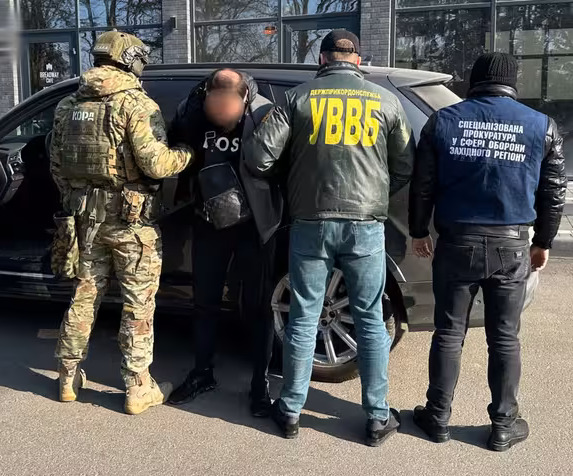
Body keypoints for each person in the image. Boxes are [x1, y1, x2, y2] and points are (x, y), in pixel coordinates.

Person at [243, 31, 415, 444]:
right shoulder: (386, 101)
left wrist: (293, 184)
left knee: (303, 316)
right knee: (370, 318)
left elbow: (258, 158)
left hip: (310, 222)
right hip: (366, 225)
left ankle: (289, 411)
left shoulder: (297, 98)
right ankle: (377, 417)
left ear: (321, 59)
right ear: (358, 60)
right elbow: (405, 166)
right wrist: (376, 195)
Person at [408, 52, 566, 451]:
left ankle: (437, 417)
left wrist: (418, 230)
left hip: (456, 242)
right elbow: (553, 191)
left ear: (474, 81)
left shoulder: (443, 121)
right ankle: (503, 426)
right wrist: (543, 242)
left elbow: (422, 183)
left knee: (449, 333)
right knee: (505, 337)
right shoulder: (541, 125)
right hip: (511, 246)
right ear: (512, 83)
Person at [49, 30, 193, 415]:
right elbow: (156, 165)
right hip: (132, 222)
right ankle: (137, 387)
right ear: (131, 60)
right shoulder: (136, 104)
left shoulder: (67, 105)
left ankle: (67, 377)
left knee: (84, 294)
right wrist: (186, 154)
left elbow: (57, 166)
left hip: (85, 218)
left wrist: (78, 198)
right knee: (137, 304)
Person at [165, 69, 283, 416]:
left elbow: (285, 166)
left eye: (227, 116)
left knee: (258, 307)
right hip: (209, 222)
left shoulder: (266, 114)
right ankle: (202, 373)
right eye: (215, 114)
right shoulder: (194, 112)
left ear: (244, 99)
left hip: (256, 226)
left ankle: (260, 385)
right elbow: (174, 142)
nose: (221, 123)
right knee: (204, 303)